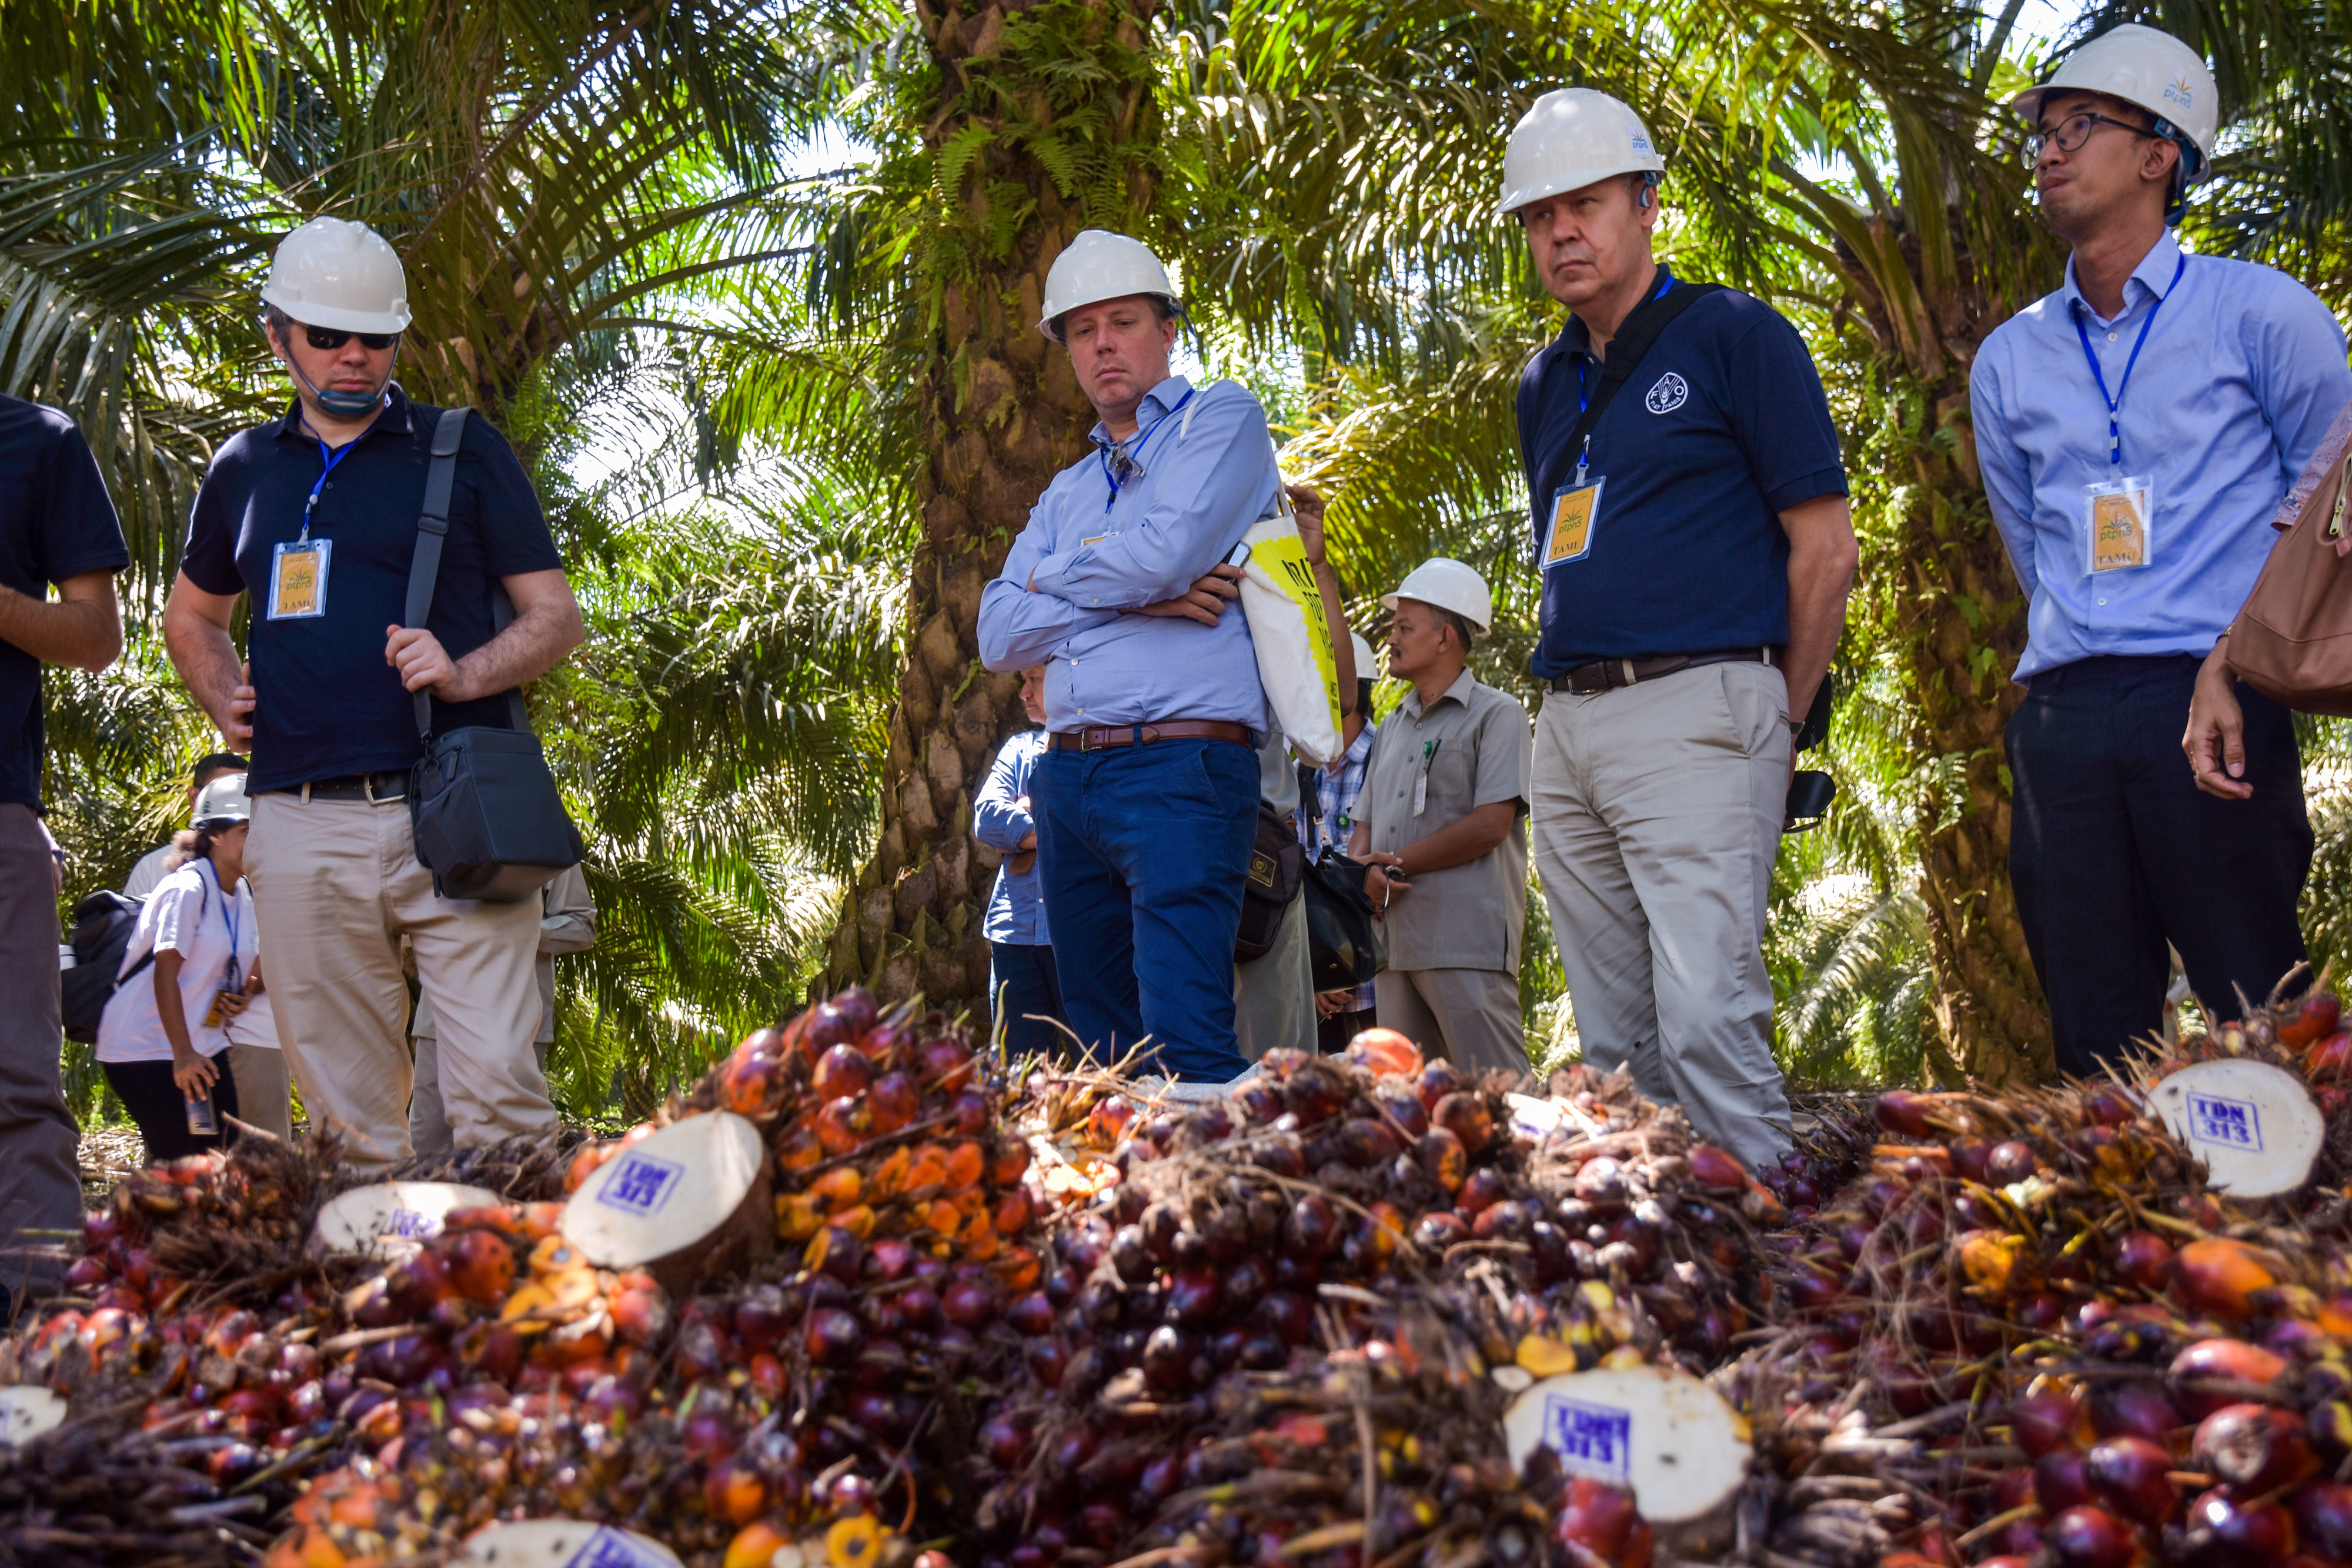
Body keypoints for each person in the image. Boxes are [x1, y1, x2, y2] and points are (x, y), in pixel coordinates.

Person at [162, 216, 587, 1168]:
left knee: (501, 1118)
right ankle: (392, 1310)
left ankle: (531, 1312)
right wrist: (222, 693)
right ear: (278, 335)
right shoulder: (242, 469)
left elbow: (556, 616)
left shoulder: (461, 449)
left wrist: (464, 669)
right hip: (299, 821)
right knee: (354, 1136)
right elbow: (191, 618)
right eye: (328, 335)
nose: (355, 356)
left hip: (457, 817)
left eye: (376, 338)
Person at [1972, 25, 2352, 1076]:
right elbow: (2034, 546)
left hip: (2218, 702)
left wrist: (2229, 661)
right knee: (2095, 1043)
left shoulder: (2264, 314)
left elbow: (2332, 513)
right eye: (2043, 133)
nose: (2049, 151)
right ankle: (2131, 1232)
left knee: (2259, 1019)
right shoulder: (2008, 360)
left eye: (2078, 126)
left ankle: (2285, 1234)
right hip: (2062, 718)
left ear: (2160, 152)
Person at [1505, 89, 1857, 1168]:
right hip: (1567, 722)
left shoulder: (1735, 334)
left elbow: (1827, 549)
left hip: (1705, 703)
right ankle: (1674, 1286)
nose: (1563, 230)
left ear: (1647, 203)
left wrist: (1776, 717)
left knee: (1709, 1024)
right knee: (1615, 1053)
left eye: (1587, 202)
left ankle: (1783, 1291)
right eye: (1538, 214)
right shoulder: (1542, 382)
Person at [976, 230, 1276, 1082]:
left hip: (1182, 765)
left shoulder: (1222, 420)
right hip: (1067, 780)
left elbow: (1167, 557)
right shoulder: (1067, 488)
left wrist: (1053, 579)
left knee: (1187, 1042)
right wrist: (1135, 596)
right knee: (1104, 1058)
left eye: (1124, 320)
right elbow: (997, 634)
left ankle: (1220, 1208)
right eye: (1082, 330)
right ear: (1066, 350)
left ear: (1168, 327)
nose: (1104, 343)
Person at [0, 389, 127, 1303]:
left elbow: (96, 635)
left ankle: (49, 1320)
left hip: (0, 809)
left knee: (18, 1077)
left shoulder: (38, 440)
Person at [1350, 563, 1534, 1076]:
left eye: (1405, 627)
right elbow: (1364, 824)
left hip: (1464, 944)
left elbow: (1491, 824)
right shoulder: (1390, 727)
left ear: (1445, 637)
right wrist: (1359, 876)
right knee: (1411, 1108)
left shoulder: (1497, 715)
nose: (1391, 637)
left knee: (1504, 1097)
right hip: (1393, 949)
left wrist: (1391, 867)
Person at [1232, 487, 1355, 1063]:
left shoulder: (1271, 570)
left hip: (1261, 850)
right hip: (1175, 827)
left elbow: (1342, 697)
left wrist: (1313, 568)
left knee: (1275, 1054)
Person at [95, 773, 257, 1162]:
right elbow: (164, 972)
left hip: (203, 1044)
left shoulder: (244, 890)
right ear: (215, 835)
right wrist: (182, 1053)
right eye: (248, 829)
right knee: (184, 1167)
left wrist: (247, 990)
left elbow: (256, 962)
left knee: (225, 1160)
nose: (260, 839)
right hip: (145, 1048)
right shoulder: (187, 889)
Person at [409, 863, 595, 1154]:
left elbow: (582, 926)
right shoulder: (429, 823)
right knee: (428, 1145)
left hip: (518, 1022)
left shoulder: (540, 826)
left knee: (515, 1149)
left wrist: (515, 926)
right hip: (439, 1018)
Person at [974, 666, 1073, 1059]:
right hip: (1013, 934)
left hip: (1077, 935)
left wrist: (1028, 817)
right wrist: (1059, 827)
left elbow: (1097, 824)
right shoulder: (1018, 748)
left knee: (1104, 1067)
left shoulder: (1103, 745)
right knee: (1016, 1073)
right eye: (1023, 682)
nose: (1024, 692)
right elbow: (987, 818)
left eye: (1035, 680)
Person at [1300, 631, 1381, 1052]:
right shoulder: (1300, 771)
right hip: (1319, 990)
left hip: (1379, 982)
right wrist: (1317, 975)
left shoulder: (1386, 756)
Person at [124, 752, 249, 898]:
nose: (239, 803)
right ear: (194, 797)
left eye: (245, 794)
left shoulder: (261, 874)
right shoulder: (152, 869)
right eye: (223, 793)